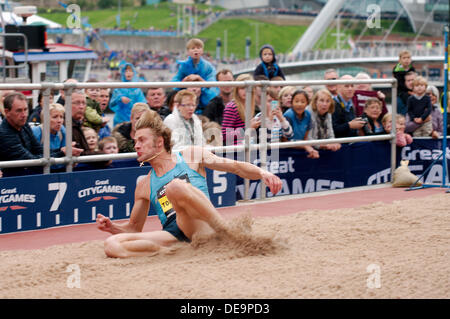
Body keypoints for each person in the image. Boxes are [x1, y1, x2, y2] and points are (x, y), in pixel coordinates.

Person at [95, 109, 283, 258]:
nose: (136, 146)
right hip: (173, 234)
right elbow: (134, 229)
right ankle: (175, 252)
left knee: (174, 187)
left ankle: (225, 233)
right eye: (135, 141)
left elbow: (235, 167)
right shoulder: (144, 184)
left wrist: (261, 172)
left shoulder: (190, 155)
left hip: (203, 226)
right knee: (112, 245)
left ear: (159, 143)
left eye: (142, 140)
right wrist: (112, 227)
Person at [0, 92, 82, 176]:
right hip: (13, 182)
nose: (24, 115)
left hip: (27, 175)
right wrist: (62, 153)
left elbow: (39, 150)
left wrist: (63, 150)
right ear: (7, 112)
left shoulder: (24, 125)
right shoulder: (4, 134)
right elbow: (31, 161)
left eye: (25, 109)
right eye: (19, 110)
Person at [172, 38, 219, 113]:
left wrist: (199, 78)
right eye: (193, 48)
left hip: (205, 97)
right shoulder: (183, 66)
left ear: (202, 50)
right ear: (188, 52)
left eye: (198, 48)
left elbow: (212, 84)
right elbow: (175, 82)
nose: (196, 50)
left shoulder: (208, 66)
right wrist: (186, 79)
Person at [221, 74, 259, 145]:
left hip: (249, 149)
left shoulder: (251, 105)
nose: (245, 91)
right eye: (242, 88)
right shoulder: (232, 107)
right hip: (236, 152)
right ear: (237, 90)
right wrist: (247, 129)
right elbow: (224, 135)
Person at [109, 62, 147, 127]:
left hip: (135, 120)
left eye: (130, 71)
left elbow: (143, 104)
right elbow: (112, 103)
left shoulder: (137, 90)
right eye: (126, 71)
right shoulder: (118, 89)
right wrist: (120, 99)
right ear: (123, 73)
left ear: (133, 73)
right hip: (120, 120)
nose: (128, 73)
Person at [284, 89, 319, 158]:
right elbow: (284, 141)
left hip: (301, 151)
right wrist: (305, 146)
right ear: (292, 103)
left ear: (307, 103)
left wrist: (308, 148)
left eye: (303, 102)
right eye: (296, 101)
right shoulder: (288, 115)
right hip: (287, 152)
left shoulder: (308, 114)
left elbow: (305, 138)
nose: (299, 104)